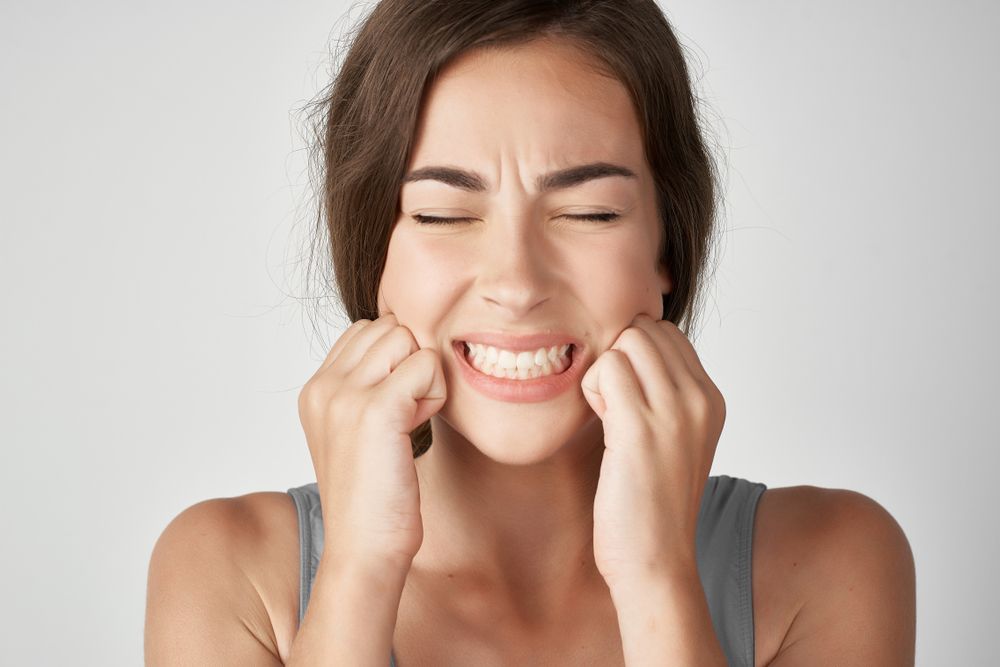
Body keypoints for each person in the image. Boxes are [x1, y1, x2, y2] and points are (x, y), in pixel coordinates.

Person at [144, 1, 917, 665]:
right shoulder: (227, 570)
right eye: (445, 216)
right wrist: (356, 572)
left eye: (589, 214)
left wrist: (656, 578)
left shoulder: (833, 561)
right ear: (372, 260)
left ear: (668, 249)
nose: (516, 283)